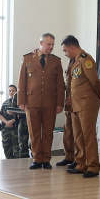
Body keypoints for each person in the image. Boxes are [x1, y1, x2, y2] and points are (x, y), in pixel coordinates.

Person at [17, 33, 65, 169]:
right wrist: (21, 100)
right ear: (41, 43)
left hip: (50, 102)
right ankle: (37, 159)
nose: (51, 47)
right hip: (32, 102)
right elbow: (21, 80)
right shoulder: (27, 59)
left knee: (48, 132)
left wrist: (59, 103)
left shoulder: (56, 61)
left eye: (53, 45)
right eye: (49, 44)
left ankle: (46, 160)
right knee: (34, 132)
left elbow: (60, 84)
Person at [60, 35, 100, 178]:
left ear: (72, 47)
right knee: (78, 136)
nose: (65, 54)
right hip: (75, 105)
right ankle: (81, 163)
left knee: (88, 136)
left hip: (87, 104)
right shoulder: (73, 62)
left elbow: (95, 81)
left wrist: (99, 96)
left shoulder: (86, 59)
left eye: (66, 50)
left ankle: (93, 166)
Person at [56, 56, 79, 169]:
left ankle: (78, 158)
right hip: (69, 102)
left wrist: (73, 96)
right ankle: (69, 156)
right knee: (68, 130)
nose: (64, 53)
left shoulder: (81, 61)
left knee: (77, 132)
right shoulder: (69, 62)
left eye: (65, 50)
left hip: (77, 101)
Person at [0, 84, 22, 158]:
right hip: (6, 130)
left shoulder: (20, 103)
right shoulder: (5, 103)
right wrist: (7, 122)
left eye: (13, 90)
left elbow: (21, 114)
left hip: (16, 130)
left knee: (17, 151)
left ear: (16, 92)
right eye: (10, 91)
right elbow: (0, 115)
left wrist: (12, 121)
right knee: (7, 151)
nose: (11, 92)